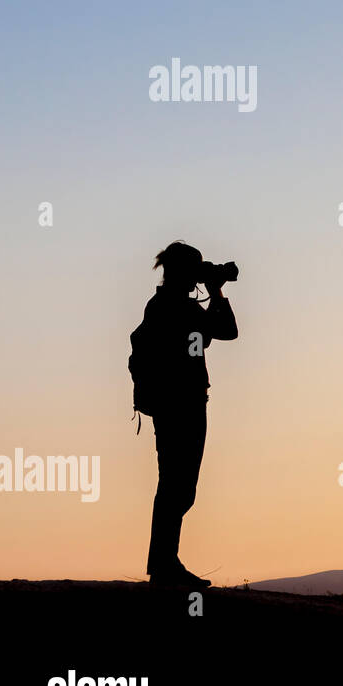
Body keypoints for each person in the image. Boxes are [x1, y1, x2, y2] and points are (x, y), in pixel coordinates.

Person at [140, 241, 238, 587]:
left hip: (178, 404)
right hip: (181, 405)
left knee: (176, 486)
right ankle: (165, 567)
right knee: (177, 487)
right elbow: (227, 331)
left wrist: (212, 288)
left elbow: (214, 333)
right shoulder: (173, 306)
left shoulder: (167, 304)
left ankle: (164, 565)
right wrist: (216, 290)